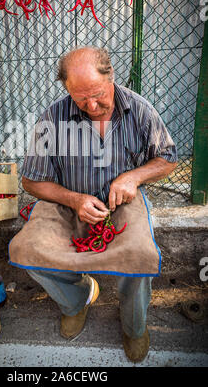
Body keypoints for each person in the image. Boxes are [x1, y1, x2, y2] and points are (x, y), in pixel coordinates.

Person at [13, 46, 178, 363]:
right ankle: (77, 298)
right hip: (66, 201)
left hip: (122, 203)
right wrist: (74, 199)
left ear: (111, 76)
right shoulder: (53, 118)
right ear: (68, 91)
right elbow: (31, 182)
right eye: (80, 99)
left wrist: (132, 177)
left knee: (140, 255)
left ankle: (133, 325)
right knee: (25, 249)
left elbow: (167, 159)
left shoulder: (140, 110)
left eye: (98, 94)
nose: (91, 105)